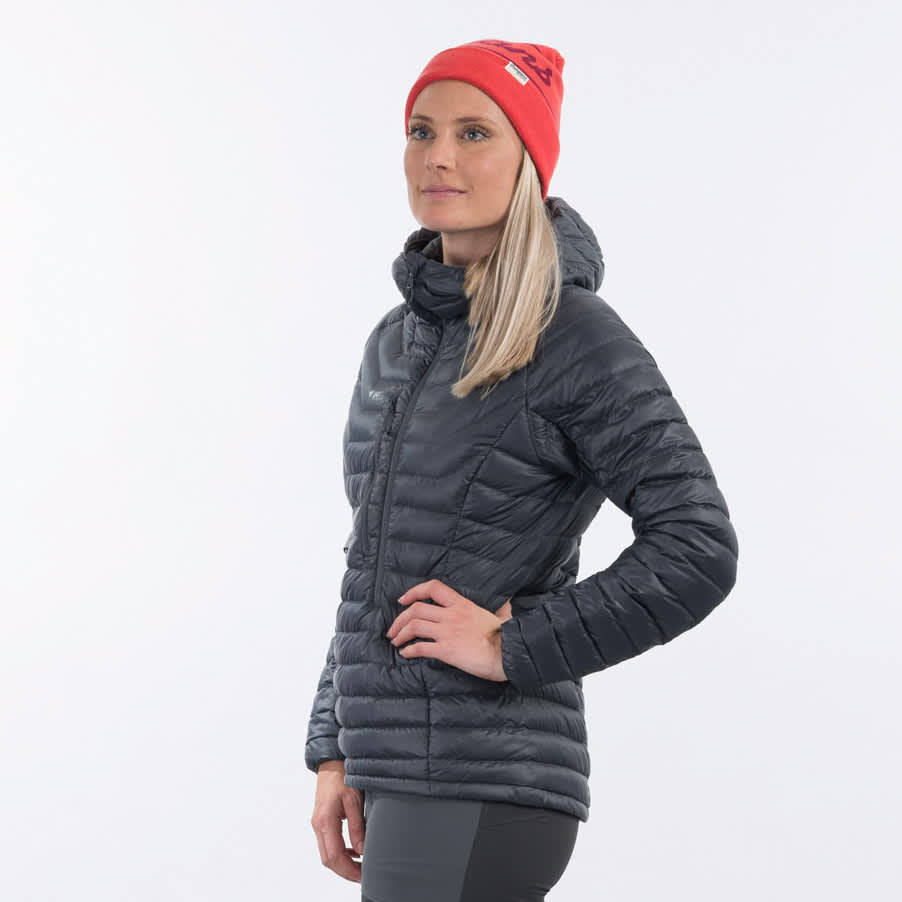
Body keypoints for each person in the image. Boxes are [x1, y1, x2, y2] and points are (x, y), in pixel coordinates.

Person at [307, 39, 739, 901]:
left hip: (487, 776)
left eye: (475, 133)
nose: (438, 156)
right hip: (399, 773)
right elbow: (371, 565)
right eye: (422, 130)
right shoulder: (396, 342)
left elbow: (698, 544)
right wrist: (335, 745)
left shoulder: (571, 334)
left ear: (530, 162)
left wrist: (512, 645)